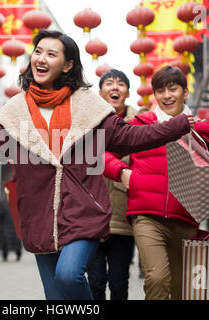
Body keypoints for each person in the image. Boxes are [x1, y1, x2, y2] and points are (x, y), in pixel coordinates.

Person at [0, 30, 194, 300]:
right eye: (37, 52)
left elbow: (129, 136)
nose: (41, 59)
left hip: (84, 210)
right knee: (55, 297)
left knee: (69, 275)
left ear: (68, 64)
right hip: (38, 216)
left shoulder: (89, 105)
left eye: (51, 54)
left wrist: (177, 125)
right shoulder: (17, 110)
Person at [103, 66, 209, 300]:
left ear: (185, 92)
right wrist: (122, 172)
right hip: (146, 215)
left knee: (179, 287)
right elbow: (100, 152)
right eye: (160, 90)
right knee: (156, 278)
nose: (166, 96)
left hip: (186, 217)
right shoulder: (140, 124)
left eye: (172, 89)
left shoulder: (202, 131)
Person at [86, 69, 136, 300]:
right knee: (94, 282)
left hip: (124, 219)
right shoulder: (85, 122)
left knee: (118, 283)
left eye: (120, 84)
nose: (115, 88)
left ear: (127, 92)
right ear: (100, 92)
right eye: (109, 83)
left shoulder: (139, 124)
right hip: (90, 219)